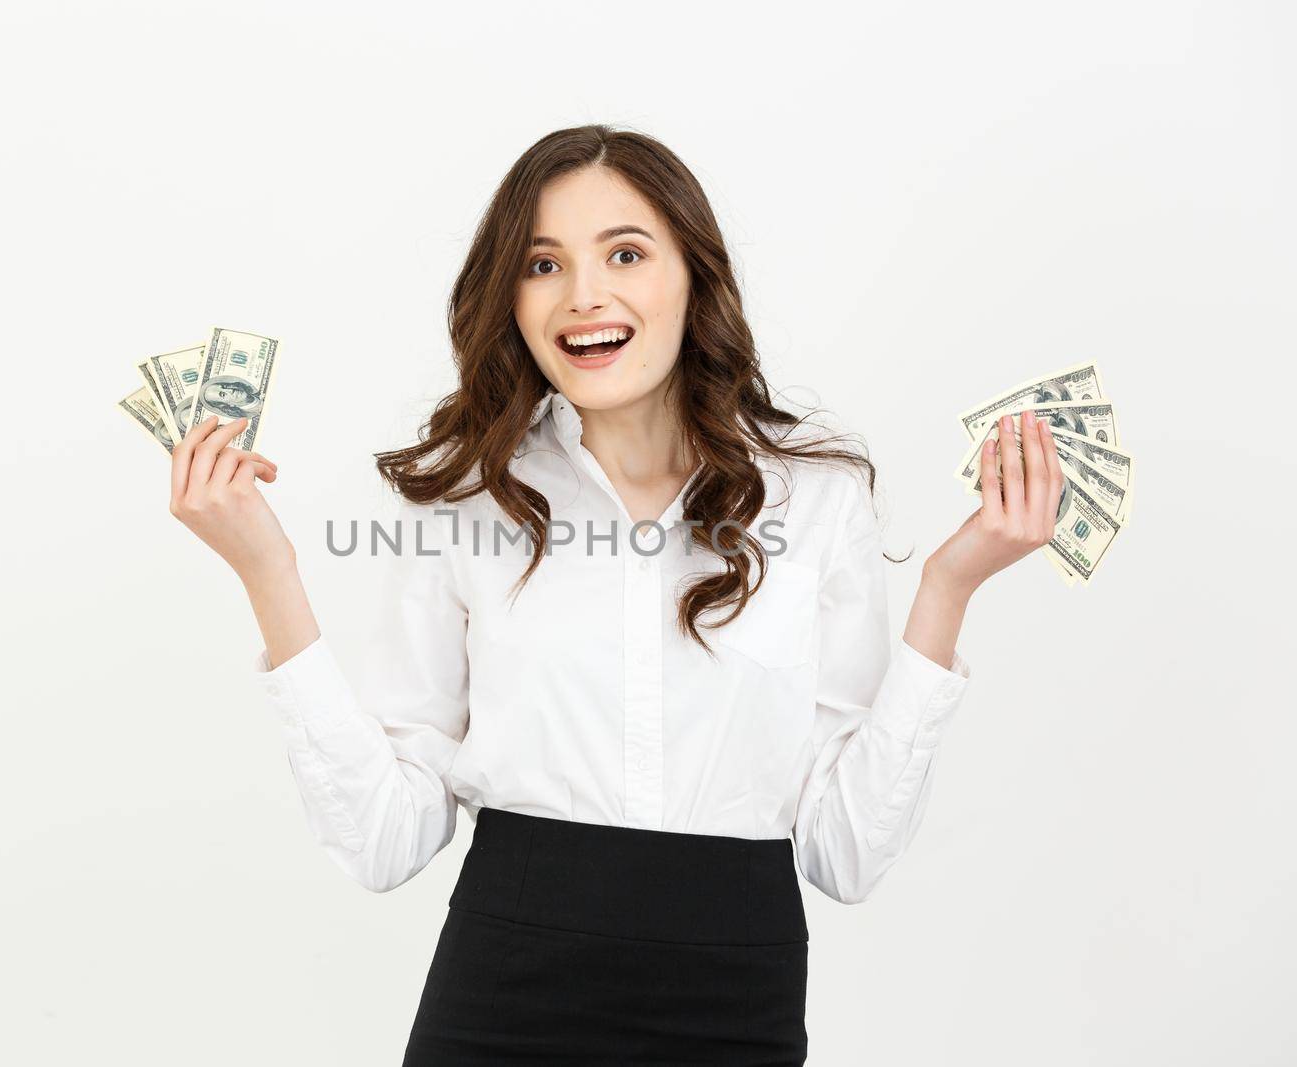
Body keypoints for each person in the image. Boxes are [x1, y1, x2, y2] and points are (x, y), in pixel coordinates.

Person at [167, 125, 1062, 1065]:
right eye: (543, 263)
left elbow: (845, 853)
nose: (583, 295)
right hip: (503, 997)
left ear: (693, 276)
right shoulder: (467, 502)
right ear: (510, 300)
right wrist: (267, 574)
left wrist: (948, 588)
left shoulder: (818, 498)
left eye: (625, 253)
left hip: (734, 1000)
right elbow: (385, 839)